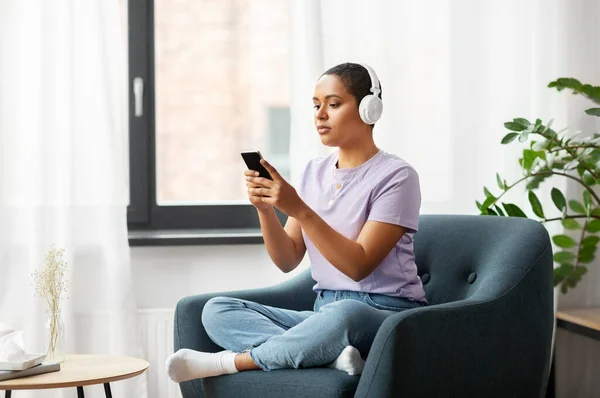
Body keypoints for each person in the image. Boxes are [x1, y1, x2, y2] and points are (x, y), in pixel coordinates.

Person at [165, 62, 427, 382]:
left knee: (345, 316)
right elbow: (288, 259)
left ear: (368, 109)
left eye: (333, 104)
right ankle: (326, 357)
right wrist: (265, 210)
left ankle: (233, 362)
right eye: (316, 105)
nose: (319, 115)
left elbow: (358, 266)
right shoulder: (312, 172)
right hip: (322, 313)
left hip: (384, 314)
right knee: (217, 310)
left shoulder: (397, 177)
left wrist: (300, 209)